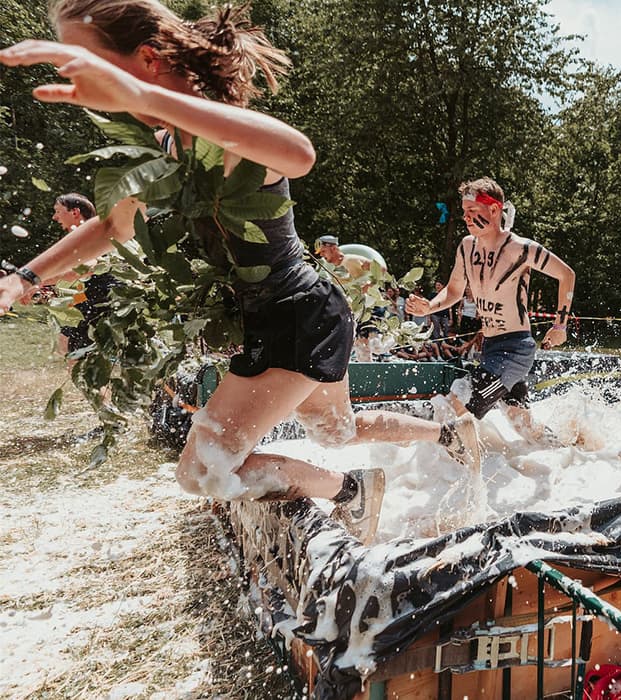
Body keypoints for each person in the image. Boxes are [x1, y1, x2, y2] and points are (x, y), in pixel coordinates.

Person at [0, 0, 481, 545]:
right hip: (305, 313)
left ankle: (352, 493)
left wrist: (143, 97)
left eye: (83, 62)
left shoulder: (221, 134)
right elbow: (112, 227)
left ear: (148, 58)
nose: (76, 80)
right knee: (336, 431)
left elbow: (297, 153)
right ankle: (447, 432)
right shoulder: (162, 146)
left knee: (202, 472)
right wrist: (24, 278)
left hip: (295, 315)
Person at [406, 177, 576, 439]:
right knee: (524, 427)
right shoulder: (466, 247)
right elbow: (453, 291)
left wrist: (560, 326)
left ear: (494, 210)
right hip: (491, 348)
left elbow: (566, 274)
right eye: (464, 212)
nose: (467, 217)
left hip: (515, 350)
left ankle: (458, 473)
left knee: (457, 406)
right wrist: (428, 306)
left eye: (473, 211)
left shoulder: (520, 248)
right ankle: (571, 448)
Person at [44, 193, 120, 359]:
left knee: (69, 344)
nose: (55, 217)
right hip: (96, 298)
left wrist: (39, 282)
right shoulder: (86, 233)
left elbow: (87, 268)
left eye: (58, 211)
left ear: (75, 212)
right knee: (70, 344)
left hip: (106, 298)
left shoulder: (88, 233)